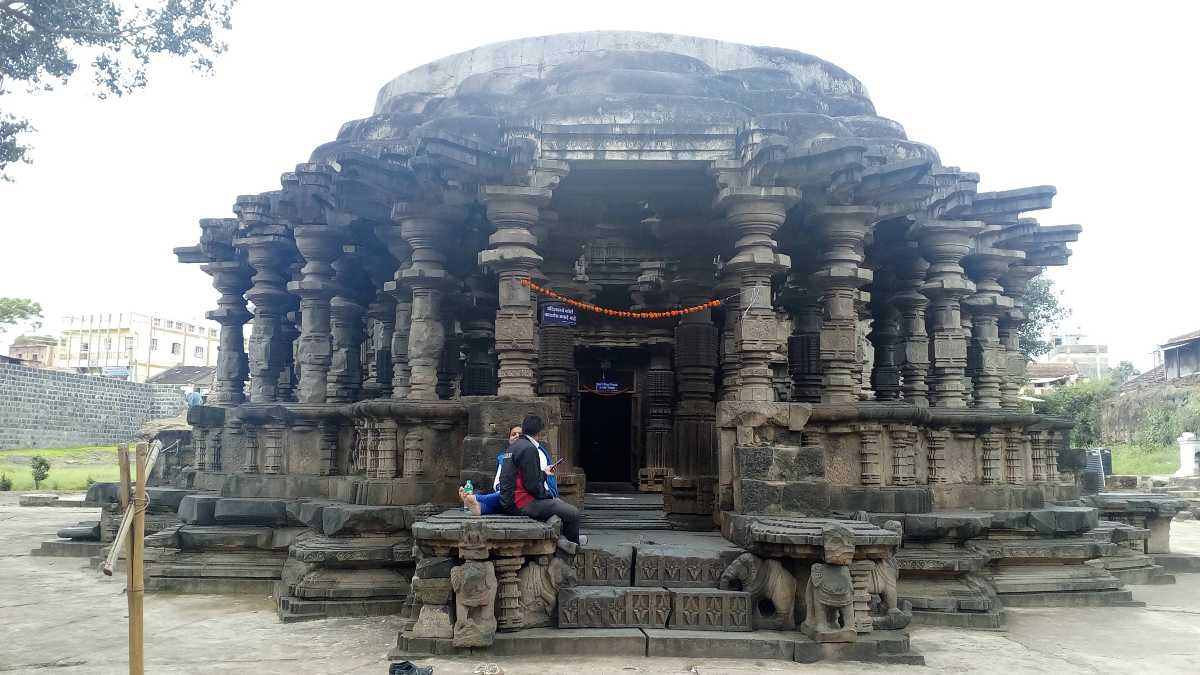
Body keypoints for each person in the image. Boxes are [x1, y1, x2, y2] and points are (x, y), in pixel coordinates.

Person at [497, 414, 584, 544]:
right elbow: (532, 485)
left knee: (558, 505)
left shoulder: (514, 446)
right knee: (573, 513)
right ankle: (573, 548)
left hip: (509, 501)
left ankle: (565, 541)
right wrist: (547, 495)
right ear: (539, 432)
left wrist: (544, 474)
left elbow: (526, 477)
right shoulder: (530, 449)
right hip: (521, 503)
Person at [459, 425, 522, 516]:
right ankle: (478, 507)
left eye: (520, 434)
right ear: (509, 440)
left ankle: (474, 498)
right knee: (497, 503)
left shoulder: (528, 453)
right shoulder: (503, 457)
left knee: (502, 496)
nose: (517, 436)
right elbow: (498, 478)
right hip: (501, 491)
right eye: (513, 434)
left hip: (515, 492)